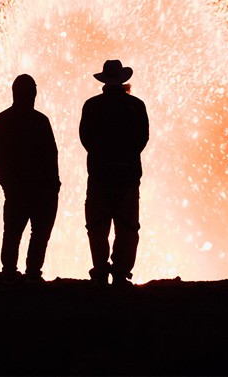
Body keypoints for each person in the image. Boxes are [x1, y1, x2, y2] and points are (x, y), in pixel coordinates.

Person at [79, 59, 149, 287]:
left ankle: (100, 271)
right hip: (127, 176)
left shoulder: (92, 106)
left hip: (99, 175)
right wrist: (125, 158)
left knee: (98, 226)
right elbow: (142, 138)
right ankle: (120, 273)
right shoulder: (136, 106)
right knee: (127, 227)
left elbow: (86, 138)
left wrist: (103, 157)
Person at [0, 74, 60, 282]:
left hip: (19, 190)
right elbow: (51, 155)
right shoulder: (40, 121)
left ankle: (9, 273)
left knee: (12, 232)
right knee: (38, 234)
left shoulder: (2, 121)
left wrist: (6, 184)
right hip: (38, 191)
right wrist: (53, 186)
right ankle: (32, 275)